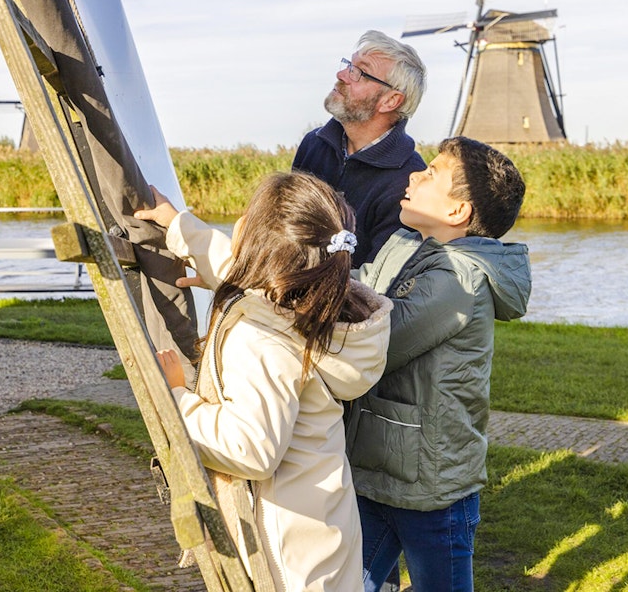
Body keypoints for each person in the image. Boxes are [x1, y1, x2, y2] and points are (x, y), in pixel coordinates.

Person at [136, 172, 392, 592]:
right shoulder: (320, 302)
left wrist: (178, 397)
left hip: (283, 556)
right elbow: (247, 270)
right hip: (320, 529)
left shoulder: (261, 336)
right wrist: (179, 225)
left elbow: (251, 448)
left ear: (260, 246)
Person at [346, 137, 531, 592]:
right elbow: (356, 286)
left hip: (432, 484)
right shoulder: (405, 243)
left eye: (430, 173)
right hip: (380, 468)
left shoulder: (456, 277)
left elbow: (377, 344)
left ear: (457, 213)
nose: (413, 175)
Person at [293, 30, 428, 269]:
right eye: (348, 65)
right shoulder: (314, 144)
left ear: (390, 101)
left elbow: (379, 283)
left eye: (359, 72)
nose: (342, 75)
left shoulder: (409, 181)